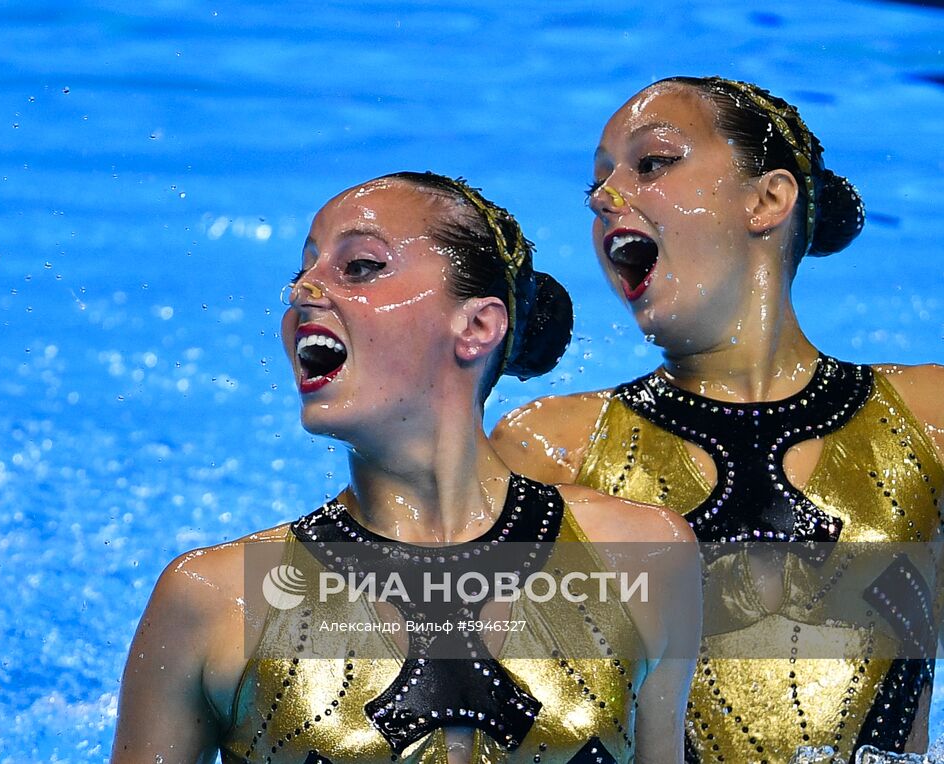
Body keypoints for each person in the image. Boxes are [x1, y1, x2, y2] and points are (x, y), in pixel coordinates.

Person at [112, 171, 700, 763]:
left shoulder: (642, 554)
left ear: (476, 326)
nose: (302, 291)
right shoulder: (213, 601)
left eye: (360, 267)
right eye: (303, 270)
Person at [492, 76, 944, 761]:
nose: (605, 196)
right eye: (597, 184)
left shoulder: (927, 421)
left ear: (767, 200)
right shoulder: (553, 449)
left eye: (651, 163)